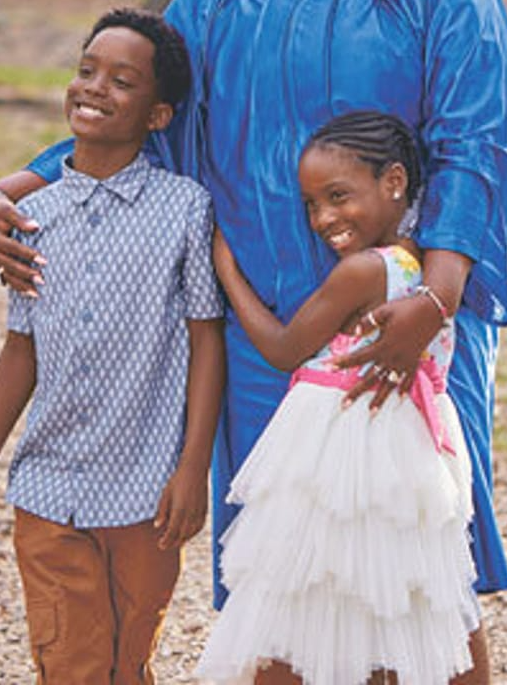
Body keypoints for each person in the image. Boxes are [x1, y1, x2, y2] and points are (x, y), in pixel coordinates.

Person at [0, 0, 507, 683]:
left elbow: (477, 148)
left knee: (420, 577)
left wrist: (431, 305)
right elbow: (147, 109)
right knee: (279, 579)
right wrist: (19, 187)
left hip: (402, 318)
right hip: (263, 325)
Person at [0, 7, 225, 685]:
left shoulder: (185, 209)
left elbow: (206, 341)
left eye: (122, 81)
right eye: (86, 71)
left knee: (128, 665)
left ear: (158, 115)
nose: (96, 88)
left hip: (146, 494)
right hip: (49, 488)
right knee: (70, 665)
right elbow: (20, 352)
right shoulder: (33, 218)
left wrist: (193, 469)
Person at [196, 110, 478, 685]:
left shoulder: (362, 272)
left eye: (338, 196)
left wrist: (226, 270)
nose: (325, 218)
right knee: (389, 602)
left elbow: (281, 348)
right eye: (312, 205)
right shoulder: (422, 268)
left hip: (341, 451)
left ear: (394, 182)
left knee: (300, 598)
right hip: (408, 452)